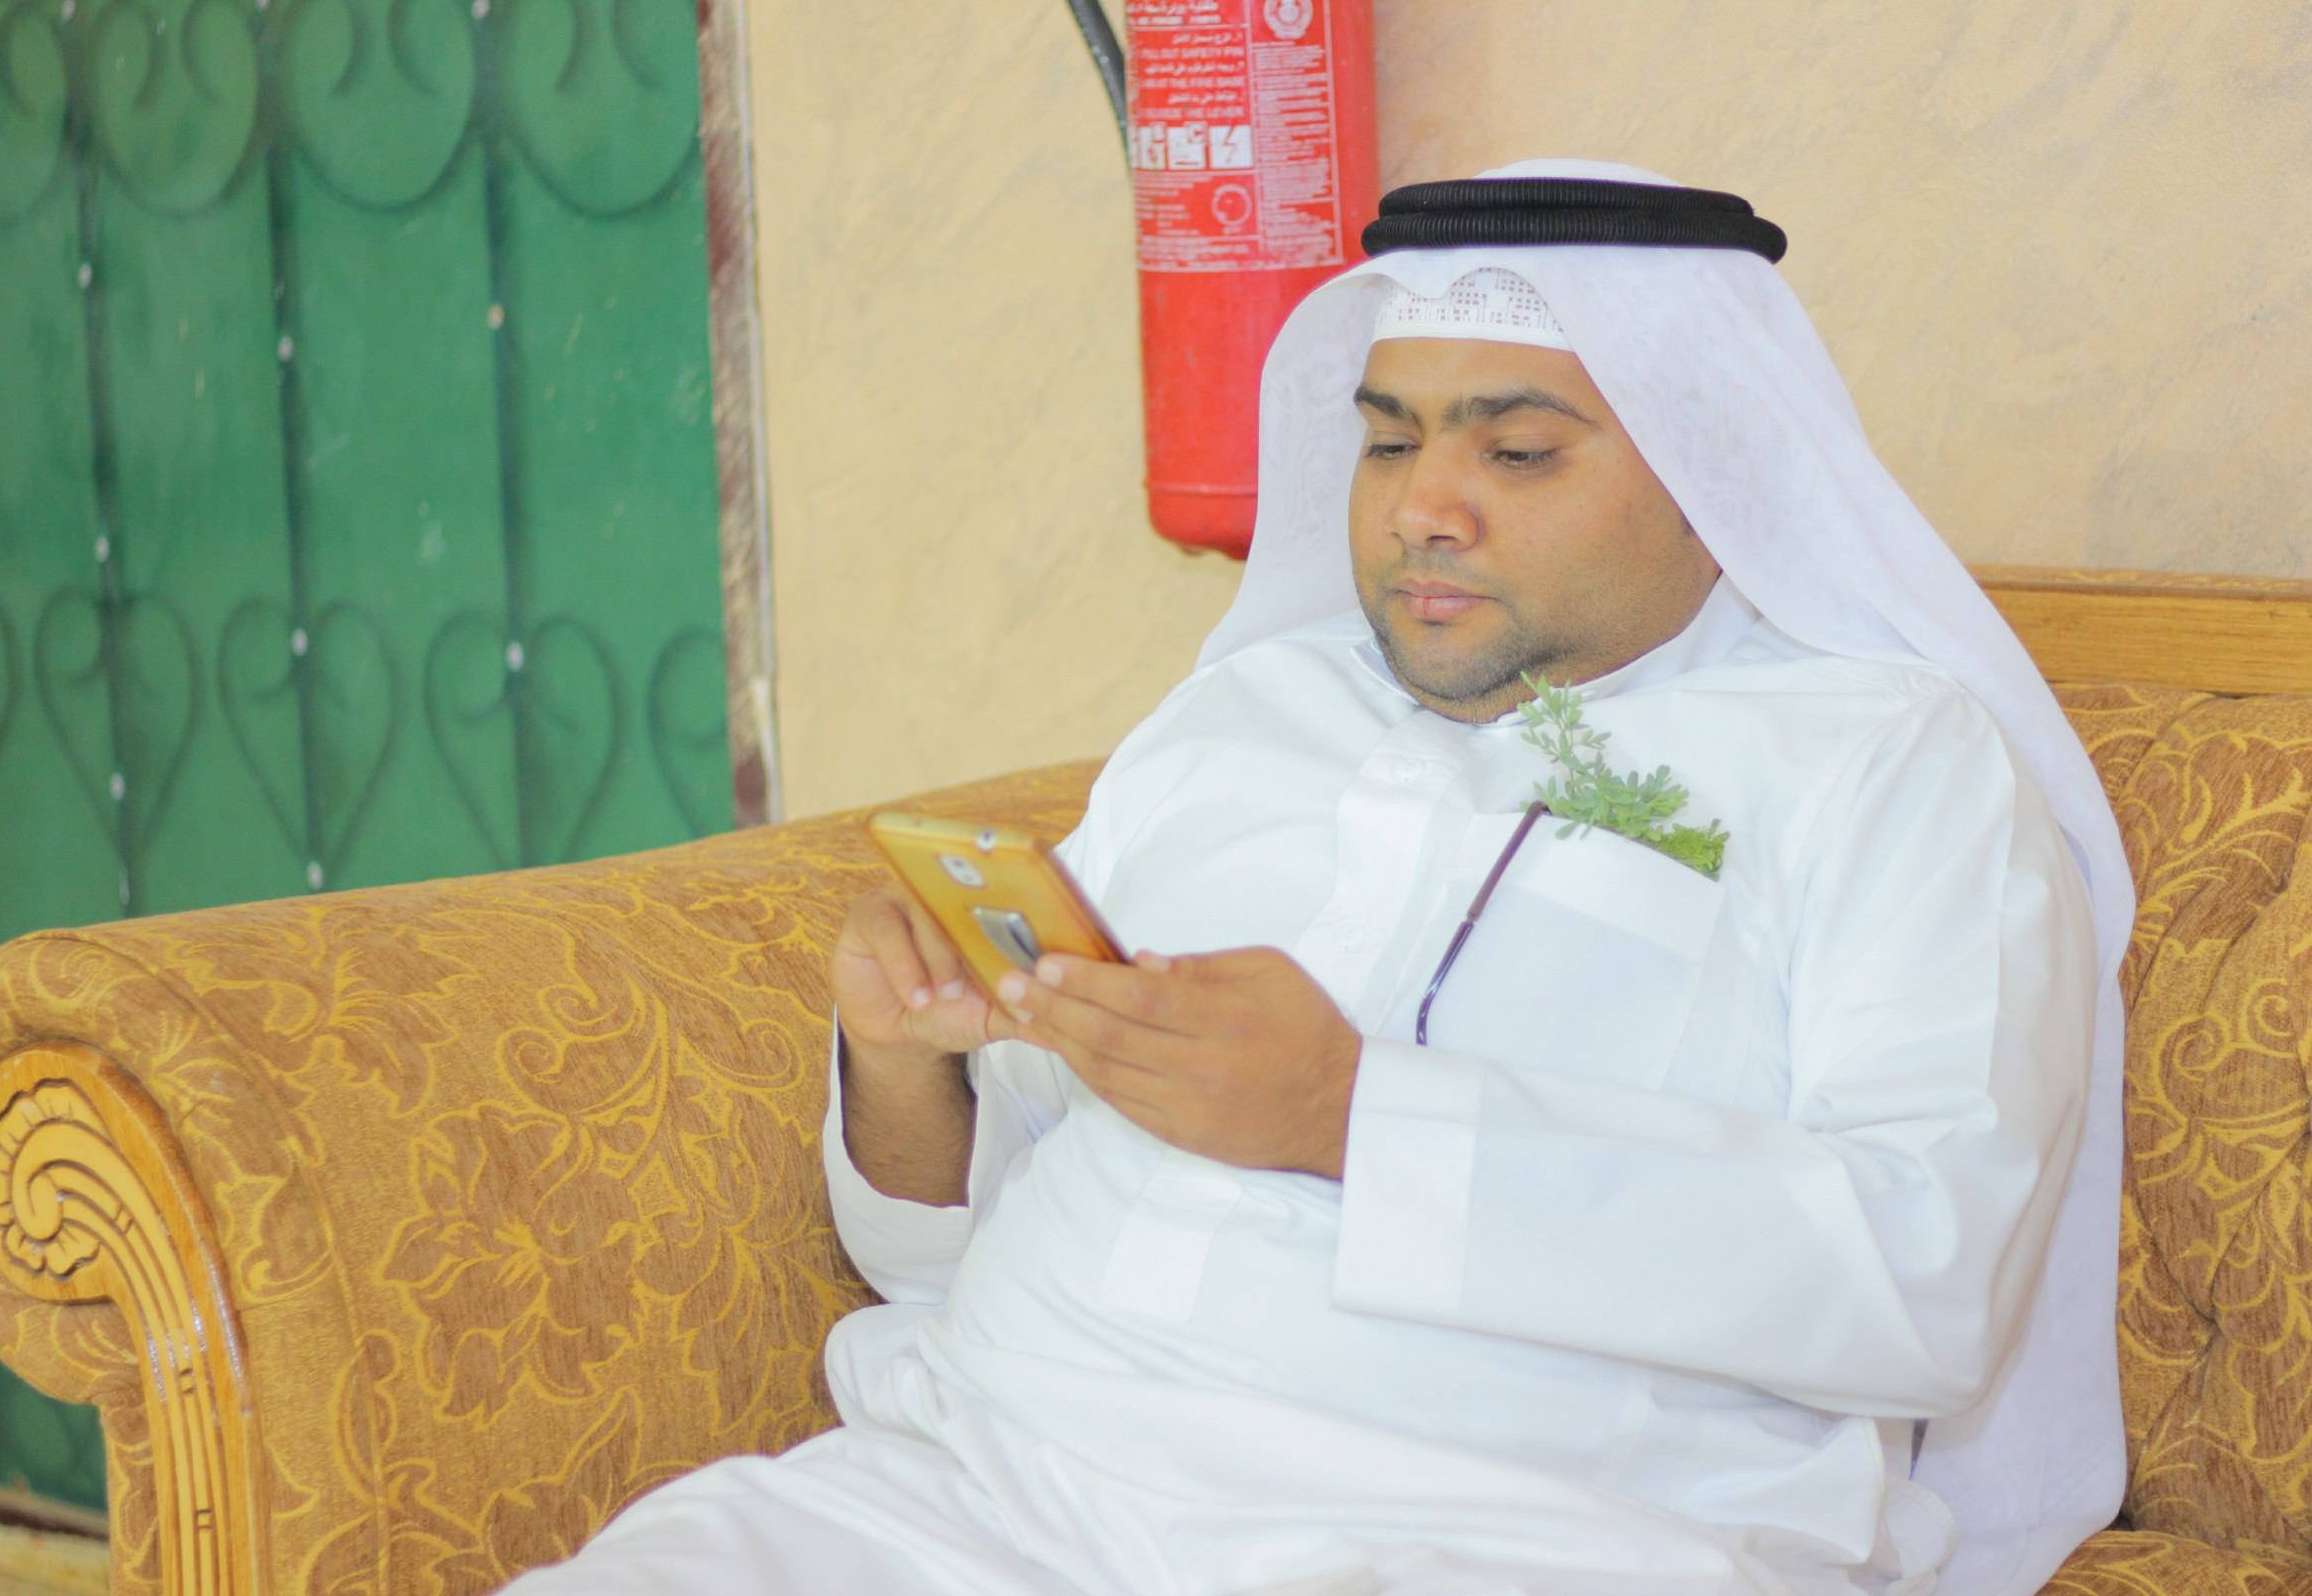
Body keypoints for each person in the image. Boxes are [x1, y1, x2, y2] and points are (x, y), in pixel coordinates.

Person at [499, 159, 2128, 1596]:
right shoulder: (1243, 715)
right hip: (977, 1497)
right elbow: (939, 1255)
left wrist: (1353, 1117)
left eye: (1519, 452)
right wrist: (904, 1060)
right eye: (1389, 439)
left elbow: (1930, 1275)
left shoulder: (1885, 768)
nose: (1424, 508)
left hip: (1511, 1543)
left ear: (1721, 477)